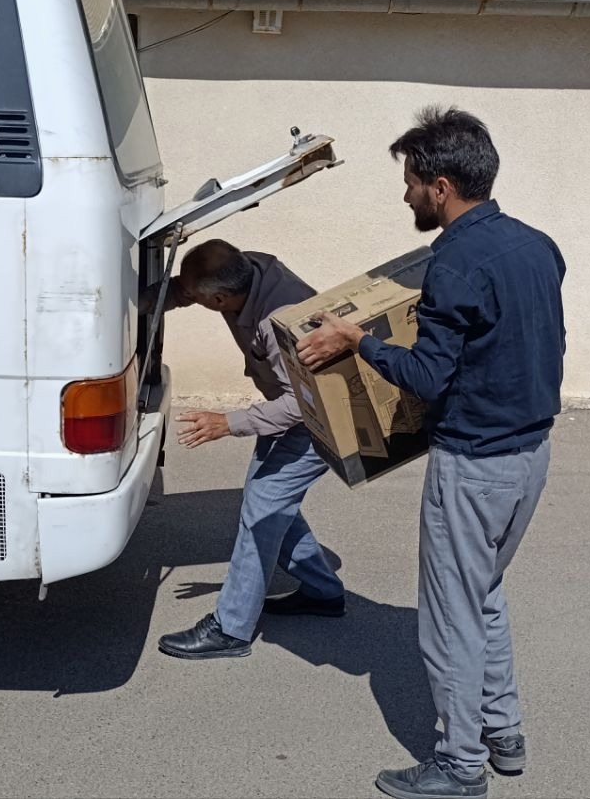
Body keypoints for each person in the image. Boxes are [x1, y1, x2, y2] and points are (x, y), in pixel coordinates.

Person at [297, 107, 566, 799]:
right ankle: (503, 734)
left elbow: (425, 377)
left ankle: (459, 764)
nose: (407, 194)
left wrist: (359, 341)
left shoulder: (454, 262)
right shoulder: (538, 246)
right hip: (530, 455)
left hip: (474, 465)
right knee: (483, 595)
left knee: (449, 616)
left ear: (441, 187)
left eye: (411, 182)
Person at [156, 239, 348, 660]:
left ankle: (231, 628)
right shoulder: (246, 269)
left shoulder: (283, 324)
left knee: (262, 508)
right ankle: (322, 591)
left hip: (318, 418)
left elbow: (302, 404)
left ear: (220, 300)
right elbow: (183, 289)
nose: (187, 299)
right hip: (287, 403)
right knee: (268, 502)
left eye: (196, 297)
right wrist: (128, 304)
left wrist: (228, 423)